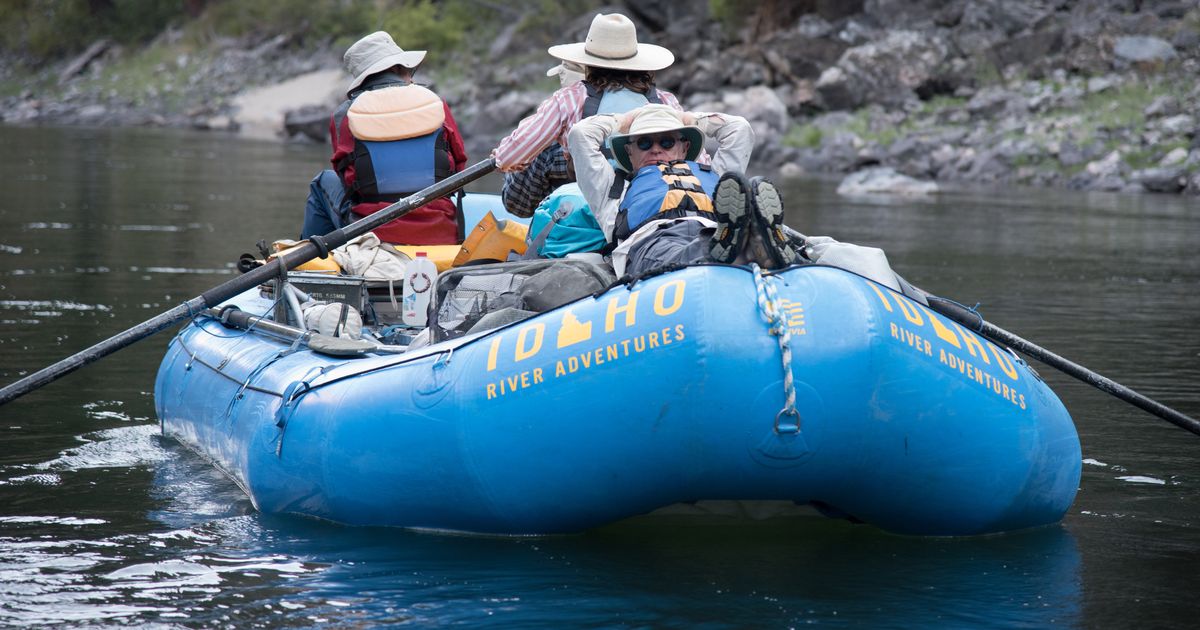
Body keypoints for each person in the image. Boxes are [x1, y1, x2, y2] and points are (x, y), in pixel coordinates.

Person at [567, 104, 802, 277]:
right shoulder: (611, 187)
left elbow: (739, 129)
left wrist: (687, 118)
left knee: (721, 236)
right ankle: (741, 250)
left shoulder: (714, 174)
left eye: (667, 142)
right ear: (629, 152)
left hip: (715, 229)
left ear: (684, 147)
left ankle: (758, 245)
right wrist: (626, 119)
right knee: (679, 255)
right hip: (653, 240)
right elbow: (580, 135)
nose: (656, 150)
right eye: (644, 143)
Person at [301, 31, 468, 245]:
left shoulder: (345, 115)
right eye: (410, 69)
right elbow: (460, 168)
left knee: (322, 182)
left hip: (372, 233)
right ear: (398, 68)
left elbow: (347, 179)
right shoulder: (436, 104)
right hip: (441, 229)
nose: (412, 76)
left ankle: (310, 265)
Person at [492, 13, 690, 181]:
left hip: (596, 207)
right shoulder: (666, 101)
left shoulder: (569, 99)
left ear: (588, 63)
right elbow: (698, 160)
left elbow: (512, 157)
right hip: (661, 196)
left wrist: (500, 158)